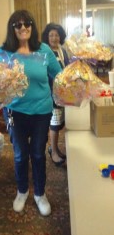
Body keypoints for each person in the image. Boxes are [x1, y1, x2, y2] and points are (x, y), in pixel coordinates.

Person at [0, 10, 62, 216]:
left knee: (38, 154)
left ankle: (40, 194)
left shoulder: (43, 50)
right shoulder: (4, 52)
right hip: (15, 111)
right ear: (12, 28)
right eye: (18, 24)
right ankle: (22, 191)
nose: (23, 27)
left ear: (32, 26)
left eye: (27, 23)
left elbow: (59, 74)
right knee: (20, 154)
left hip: (41, 111)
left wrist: (77, 81)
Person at [42, 23, 69, 166]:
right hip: (51, 93)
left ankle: (55, 148)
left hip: (63, 92)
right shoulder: (45, 52)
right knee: (54, 123)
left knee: (59, 123)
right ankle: (53, 152)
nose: (54, 38)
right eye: (51, 35)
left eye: (57, 35)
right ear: (47, 37)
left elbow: (67, 67)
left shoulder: (62, 50)